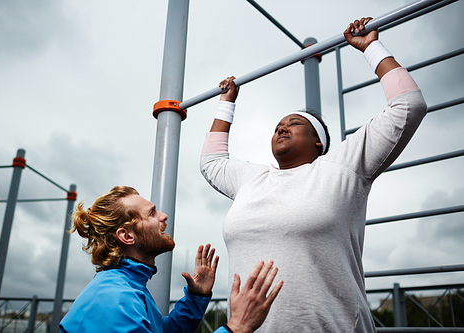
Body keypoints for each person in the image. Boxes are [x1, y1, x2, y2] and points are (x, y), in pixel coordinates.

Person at [200, 17, 427, 332]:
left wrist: (371, 47)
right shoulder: (253, 179)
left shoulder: (342, 166)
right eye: (279, 124)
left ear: (318, 140)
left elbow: (408, 105)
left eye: (294, 122)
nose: (282, 126)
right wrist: (226, 103)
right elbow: (212, 162)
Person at [59, 186, 283, 333]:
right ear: (127, 236)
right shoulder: (114, 299)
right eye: (152, 213)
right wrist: (236, 327)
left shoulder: (128, 288)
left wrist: (196, 297)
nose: (163, 216)